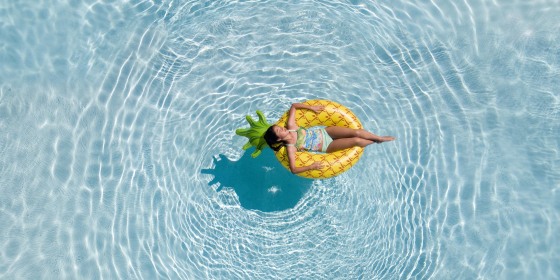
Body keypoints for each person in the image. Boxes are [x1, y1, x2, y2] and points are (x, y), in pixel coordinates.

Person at [263, 103, 395, 174]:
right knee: (356, 141)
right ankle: (375, 141)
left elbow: (293, 106)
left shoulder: (291, 126)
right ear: (278, 139)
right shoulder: (291, 148)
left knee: (357, 132)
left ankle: (379, 138)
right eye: (279, 130)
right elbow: (294, 170)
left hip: (326, 132)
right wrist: (311, 166)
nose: (281, 128)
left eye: (278, 127)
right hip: (326, 146)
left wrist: (311, 108)